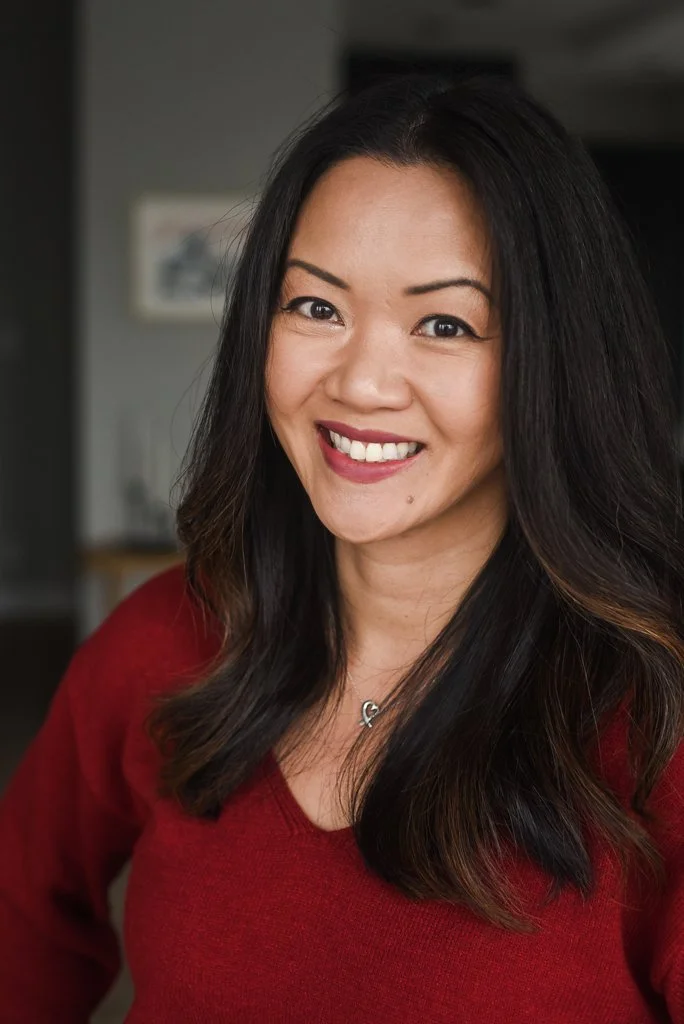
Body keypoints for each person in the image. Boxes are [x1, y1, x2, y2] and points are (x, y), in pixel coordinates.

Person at [1, 71, 684, 1023]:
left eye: (444, 323)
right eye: (316, 307)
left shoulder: (655, 723)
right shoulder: (165, 643)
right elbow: (20, 922)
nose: (361, 383)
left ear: (552, 366)